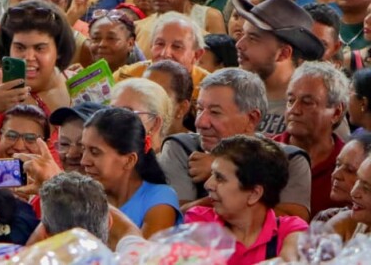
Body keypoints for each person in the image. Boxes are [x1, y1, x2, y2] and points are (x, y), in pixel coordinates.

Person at [159, 68, 312, 220]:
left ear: (252, 119)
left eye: (215, 112)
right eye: (199, 109)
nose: (200, 122)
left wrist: (228, 172)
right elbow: (177, 219)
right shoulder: (181, 148)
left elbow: (292, 223)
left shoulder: (291, 159)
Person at [0, 0, 76, 157]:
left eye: (40, 48)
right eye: (20, 47)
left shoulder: (78, 87)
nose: (28, 57)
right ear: (8, 49)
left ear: (59, 51)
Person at [184, 135, 305, 264]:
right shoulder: (199, 220)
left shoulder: (291, 229)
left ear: (254, 193)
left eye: (219, 178)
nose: (208, 185)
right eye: (212, 174)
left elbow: (290, 262)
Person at [233, 0, 325, 136]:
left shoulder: (314, 109)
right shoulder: (232, 93)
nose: (239, 44)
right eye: (242, 35)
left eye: (253, 38)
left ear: (283, 53)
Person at [79, 107, 180, 237]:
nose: (84, 161)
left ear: (129, 160)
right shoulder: (88, 197)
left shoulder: (160, 198)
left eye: (95, 152)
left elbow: (144, 254)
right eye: (83, 149)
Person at [271, 61, 350, 216]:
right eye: (290, 100)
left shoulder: (352, 167)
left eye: (307, 102)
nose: (294, 110)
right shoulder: (261, 152)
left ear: (336, 112)